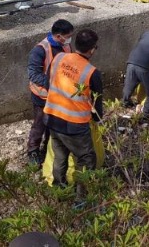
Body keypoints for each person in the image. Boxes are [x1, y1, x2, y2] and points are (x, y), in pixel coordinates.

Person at [44, 29, 103, 197]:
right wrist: (96, 119)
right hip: (74, 125)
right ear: (92, 49)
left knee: (60, 155)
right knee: (86, 158)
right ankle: (81, 198)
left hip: (52, 117)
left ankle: (59, 188)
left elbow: (49, 81)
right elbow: (97, 104)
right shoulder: (91, 72)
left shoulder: (59, 58)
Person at [26, 19, 75, 168]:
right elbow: (33, 75)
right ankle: (33, 150)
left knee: (53, 124)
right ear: (59, 36)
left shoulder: (66, 46)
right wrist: (54, 84)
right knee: (40, 124)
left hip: (59, 95)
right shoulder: (40, 50)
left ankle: (48, 147)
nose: (69, 39)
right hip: (42, 96)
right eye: (68, 36)